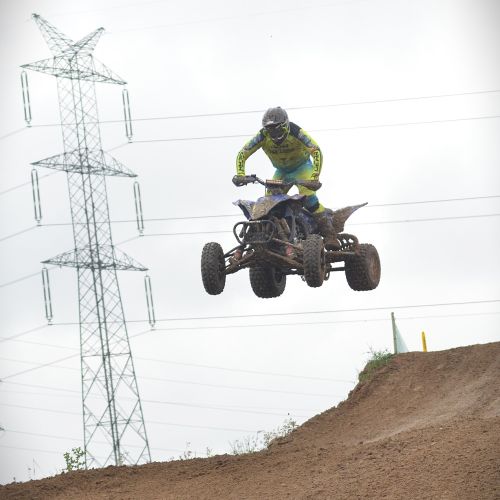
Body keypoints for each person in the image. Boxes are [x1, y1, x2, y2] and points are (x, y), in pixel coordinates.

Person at [233, 106, 340, 249]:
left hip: (302, 167)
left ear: (285, 124)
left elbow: (316, 151)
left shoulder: (296, 132)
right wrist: (240, 174)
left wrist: (315, 176)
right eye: (269, 129)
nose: (273, 132)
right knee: (268, 203)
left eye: (276, 128)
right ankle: (272, 237)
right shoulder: (262, 135)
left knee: (308, 197)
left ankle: (329, 234)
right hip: (282, 171)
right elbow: (243, 153)